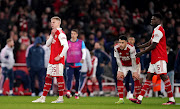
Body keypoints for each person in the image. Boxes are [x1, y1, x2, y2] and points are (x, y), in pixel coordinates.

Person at [129, 13, 176, 105]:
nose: (151, 21)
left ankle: (171, 99)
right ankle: (139, 98)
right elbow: (150, 42)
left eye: (153, 19)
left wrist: (141, 53)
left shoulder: (159, 31)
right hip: (155, 58)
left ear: (159, 20)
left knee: (164, 76)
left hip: (160, 57)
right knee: (148, 77)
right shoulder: (156, 30)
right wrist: (138, 47)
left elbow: (153, 45)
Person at [32, 16, 69, 103]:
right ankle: (43, 98)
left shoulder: (61, 34)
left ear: (58, 23)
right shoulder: (54, 33)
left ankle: (60, 98)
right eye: (51, 22)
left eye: (54, 22)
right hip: (51, 60)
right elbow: (47, 44)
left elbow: (66, 46)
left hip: (57, 61)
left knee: (59, 78)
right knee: (48, 78)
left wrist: (60, 56)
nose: (51, 24)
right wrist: (52, 35)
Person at [114, 35, 139, 104]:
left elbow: (133, 61)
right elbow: (118, 60)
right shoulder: (116, 47)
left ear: (126, 43)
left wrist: (134, 71)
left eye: (122, 43)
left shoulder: (131, 48)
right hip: (123, 65)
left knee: (136, 78)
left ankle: (137, 98)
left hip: (132, 64)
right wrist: (121, 71)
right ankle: (121, 99)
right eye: (119, 42)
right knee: (119, 77)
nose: (120, 44)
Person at [66, 29, 86, 99]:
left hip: (78, 64)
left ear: (77, 35)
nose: (73, 35)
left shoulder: (81, 42)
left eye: (74, 34)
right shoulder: (67, 42)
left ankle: (76, 93)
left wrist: (83, 58)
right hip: (70, 63)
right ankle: (68, 91)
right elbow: (64, 51)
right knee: (69, 78)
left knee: (77, 79)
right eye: (72, 34)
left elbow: (84, 51)